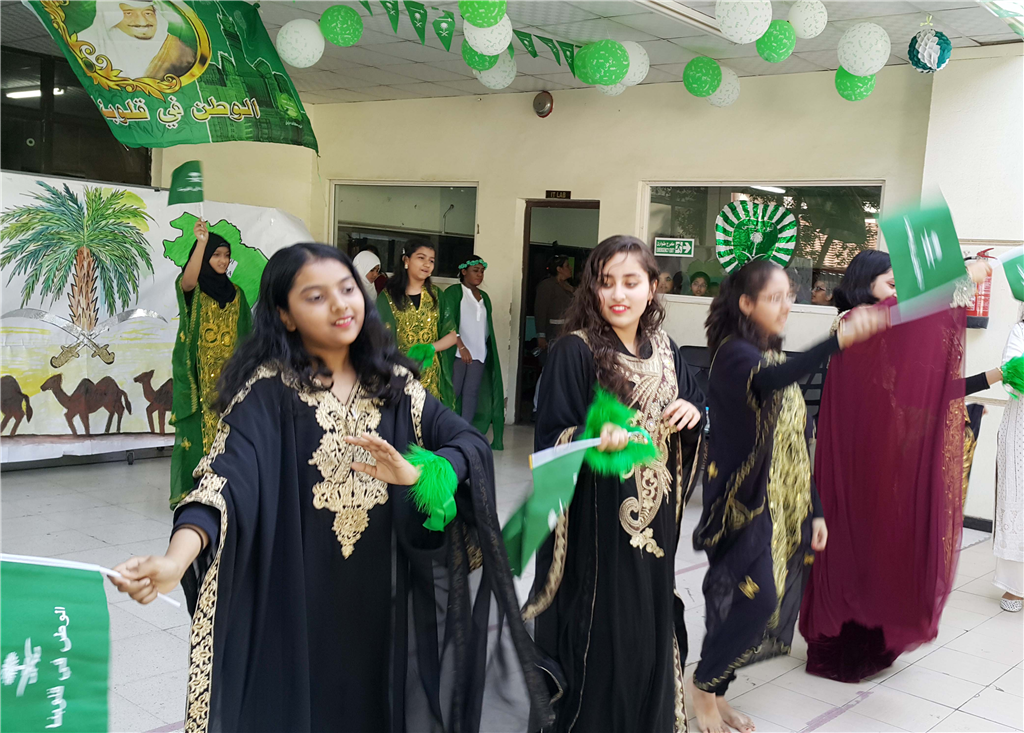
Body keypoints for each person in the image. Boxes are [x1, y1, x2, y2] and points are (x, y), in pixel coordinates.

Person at [110, 244, 553, 733]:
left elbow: (467, 443)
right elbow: (221, 484)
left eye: (347, 289)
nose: (341, 304)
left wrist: (422, 473)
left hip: (383, 601)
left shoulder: (394, 385)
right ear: (285, 315)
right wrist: (176, 560)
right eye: (316, 296)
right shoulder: (268, 392)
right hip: (299, 601)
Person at [692, 259, 887, 733]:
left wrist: (815, 510)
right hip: (736, 507)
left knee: (754, 603)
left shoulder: (768, 353)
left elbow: (793, 446)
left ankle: (716, 692)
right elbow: (773, 381)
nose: (786, 306)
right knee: (753, 602)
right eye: (775, 298)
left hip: (773, 505)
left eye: (789, 296)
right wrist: (837, 341)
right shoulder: (735, 354)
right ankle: (702, 690)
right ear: (746, 303)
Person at [528, 236, 706, 733]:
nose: (618, 294)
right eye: (606, 283)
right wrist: (590, 438)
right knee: (606, 634)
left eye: (631, 282)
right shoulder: (574, 351)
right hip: (598, 529)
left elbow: (694, 408)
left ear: (652, 287)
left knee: (648, 625)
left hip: (656, 524)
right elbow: (550, 443)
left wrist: (693, 413)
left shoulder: (667, 350)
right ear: (593, 289)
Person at [799, 250, 1003, 682]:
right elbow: (901, 314)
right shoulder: (853, 322)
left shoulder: (884, 332)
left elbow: (924, 391)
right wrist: (957, 282)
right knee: (852, 544)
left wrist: (994, 377)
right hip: (855, 462)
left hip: (881, 461)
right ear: (863, 281)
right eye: (889, 280)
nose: (896, 286)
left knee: (878, 545)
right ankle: (838, 642)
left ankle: (871, 635)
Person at [169, 219, 251, 508]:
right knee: (195, 434)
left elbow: (247, 336)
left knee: (230, 433)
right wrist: (202, 243)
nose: (223, 261)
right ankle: (192, 490)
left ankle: (224, 488)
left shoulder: (237, 294)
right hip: (197, 378)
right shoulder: (195, 291)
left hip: (229, 379)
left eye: (226, 255)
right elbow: (187, 281)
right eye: (216, 255)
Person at [377, 240, 457, 405]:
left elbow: (452, 335)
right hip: (400, 377)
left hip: (432, 379)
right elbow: (378, 339)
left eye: (431, 260)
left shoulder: (437, 296)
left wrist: (431, 348)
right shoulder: (388, 297)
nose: (427, 264)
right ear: (406, 260)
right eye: (421, 258)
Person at [441, 256, 505, 450]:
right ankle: (444, 433)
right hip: (457, 351)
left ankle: (464, 434)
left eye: (482, 271)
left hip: (478, 352)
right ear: (463, 272)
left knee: (471, 393)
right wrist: (461, 346)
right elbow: (448, 322)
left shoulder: (484, 297)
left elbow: (486, 327)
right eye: (475, 271)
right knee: (453, 392)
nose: (479, 274)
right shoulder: (454, 292)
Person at [79, 0, 196, 80]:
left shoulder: (179, 50)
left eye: (148, 13)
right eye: (129, 13)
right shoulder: (87, 47)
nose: (142, 22)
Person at [994, 307, 1024, 612]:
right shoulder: (1020, 332)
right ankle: (1016, 586)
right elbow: (1012, 372)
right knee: (1018, 497)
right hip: (1021, 430)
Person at [534, 254, 575, 354]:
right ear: (559, 269)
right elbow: (540, 311)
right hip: (552, 334)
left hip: (567, 334)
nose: (570, 268)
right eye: (567, 266)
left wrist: (573, 290)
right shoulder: (547, 285)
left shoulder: (568, 286)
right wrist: (541, 336)